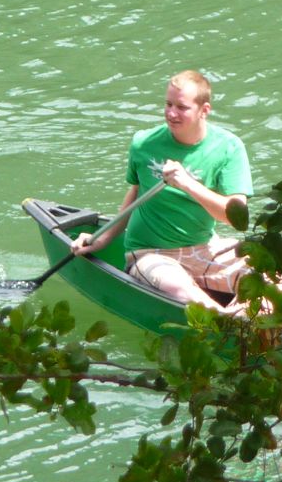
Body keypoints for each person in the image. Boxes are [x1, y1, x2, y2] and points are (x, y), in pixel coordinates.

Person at [71, 70, 252, 314]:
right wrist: (101, 239)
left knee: (279, 262)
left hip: (203, 247)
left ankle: (264, 318)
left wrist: (188, 184)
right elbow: (136, 193)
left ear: (204, 110)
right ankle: (227, 321)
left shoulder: (229, 148)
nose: (171, 113)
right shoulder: (144, 143)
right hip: (149, 253)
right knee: (177, 287)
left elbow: (235, 216)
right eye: (167, 104)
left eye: (181, 107)